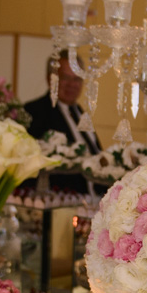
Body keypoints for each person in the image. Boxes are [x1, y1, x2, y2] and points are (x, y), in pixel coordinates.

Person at [24, 55, 101, 194]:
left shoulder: (80, 113)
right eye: (65, 78)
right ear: (50, 79)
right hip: (57, 201)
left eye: (77, 78)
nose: (72, 84)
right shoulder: (34, 111)